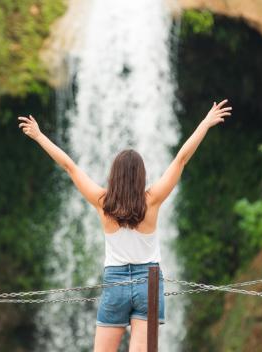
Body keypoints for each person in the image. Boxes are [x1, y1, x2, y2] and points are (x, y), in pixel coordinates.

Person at [18, 99, 232, 352]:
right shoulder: (151, 201)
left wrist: (40, 136)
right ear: (141, 175)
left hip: (115, 282)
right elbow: (181, 159)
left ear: (114, 176)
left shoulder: (102, 203)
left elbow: (70, 167)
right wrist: (204, 124)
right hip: (148, 282)